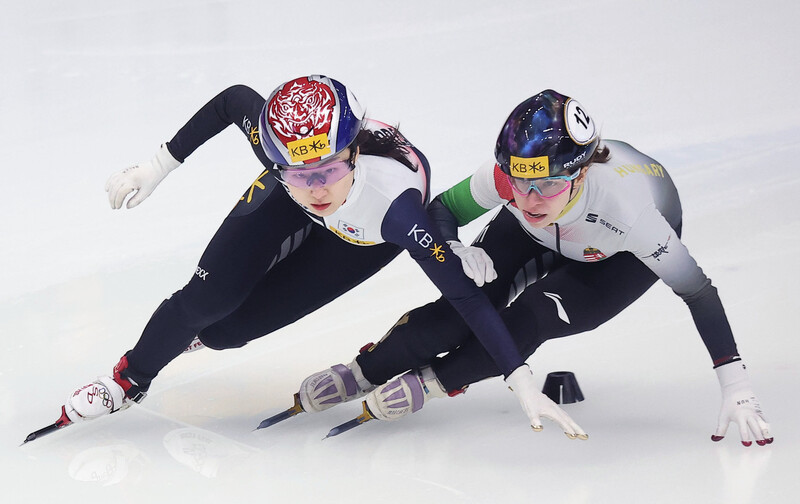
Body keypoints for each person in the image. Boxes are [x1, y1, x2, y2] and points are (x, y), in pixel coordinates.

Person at [54, 76, 585, 440]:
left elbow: (467, 299)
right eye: (299, 173)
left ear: (353, 151)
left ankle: (201, 336)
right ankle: (128, 380)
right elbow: (233, 99)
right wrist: (156, 166)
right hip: (284, 201)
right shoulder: (289, 160)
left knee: (229, 331)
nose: (316, 190)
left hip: (360, 236)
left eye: (328, 171)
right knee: (206, 299)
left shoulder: (398, 212)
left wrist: (517, 374)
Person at [292, 89, 773, 447]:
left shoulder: (631, 215)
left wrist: (737, 385)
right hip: (539, 234)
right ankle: (367, 369)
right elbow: (441, 211)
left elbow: (698, 291)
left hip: (615, 254)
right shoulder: (514, 178)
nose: (528, 198)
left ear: (580, 173)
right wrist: (455, 246)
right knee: (466, 297)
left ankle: (437, 383)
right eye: (518, 184)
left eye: (545, 184)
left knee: (535, 314)